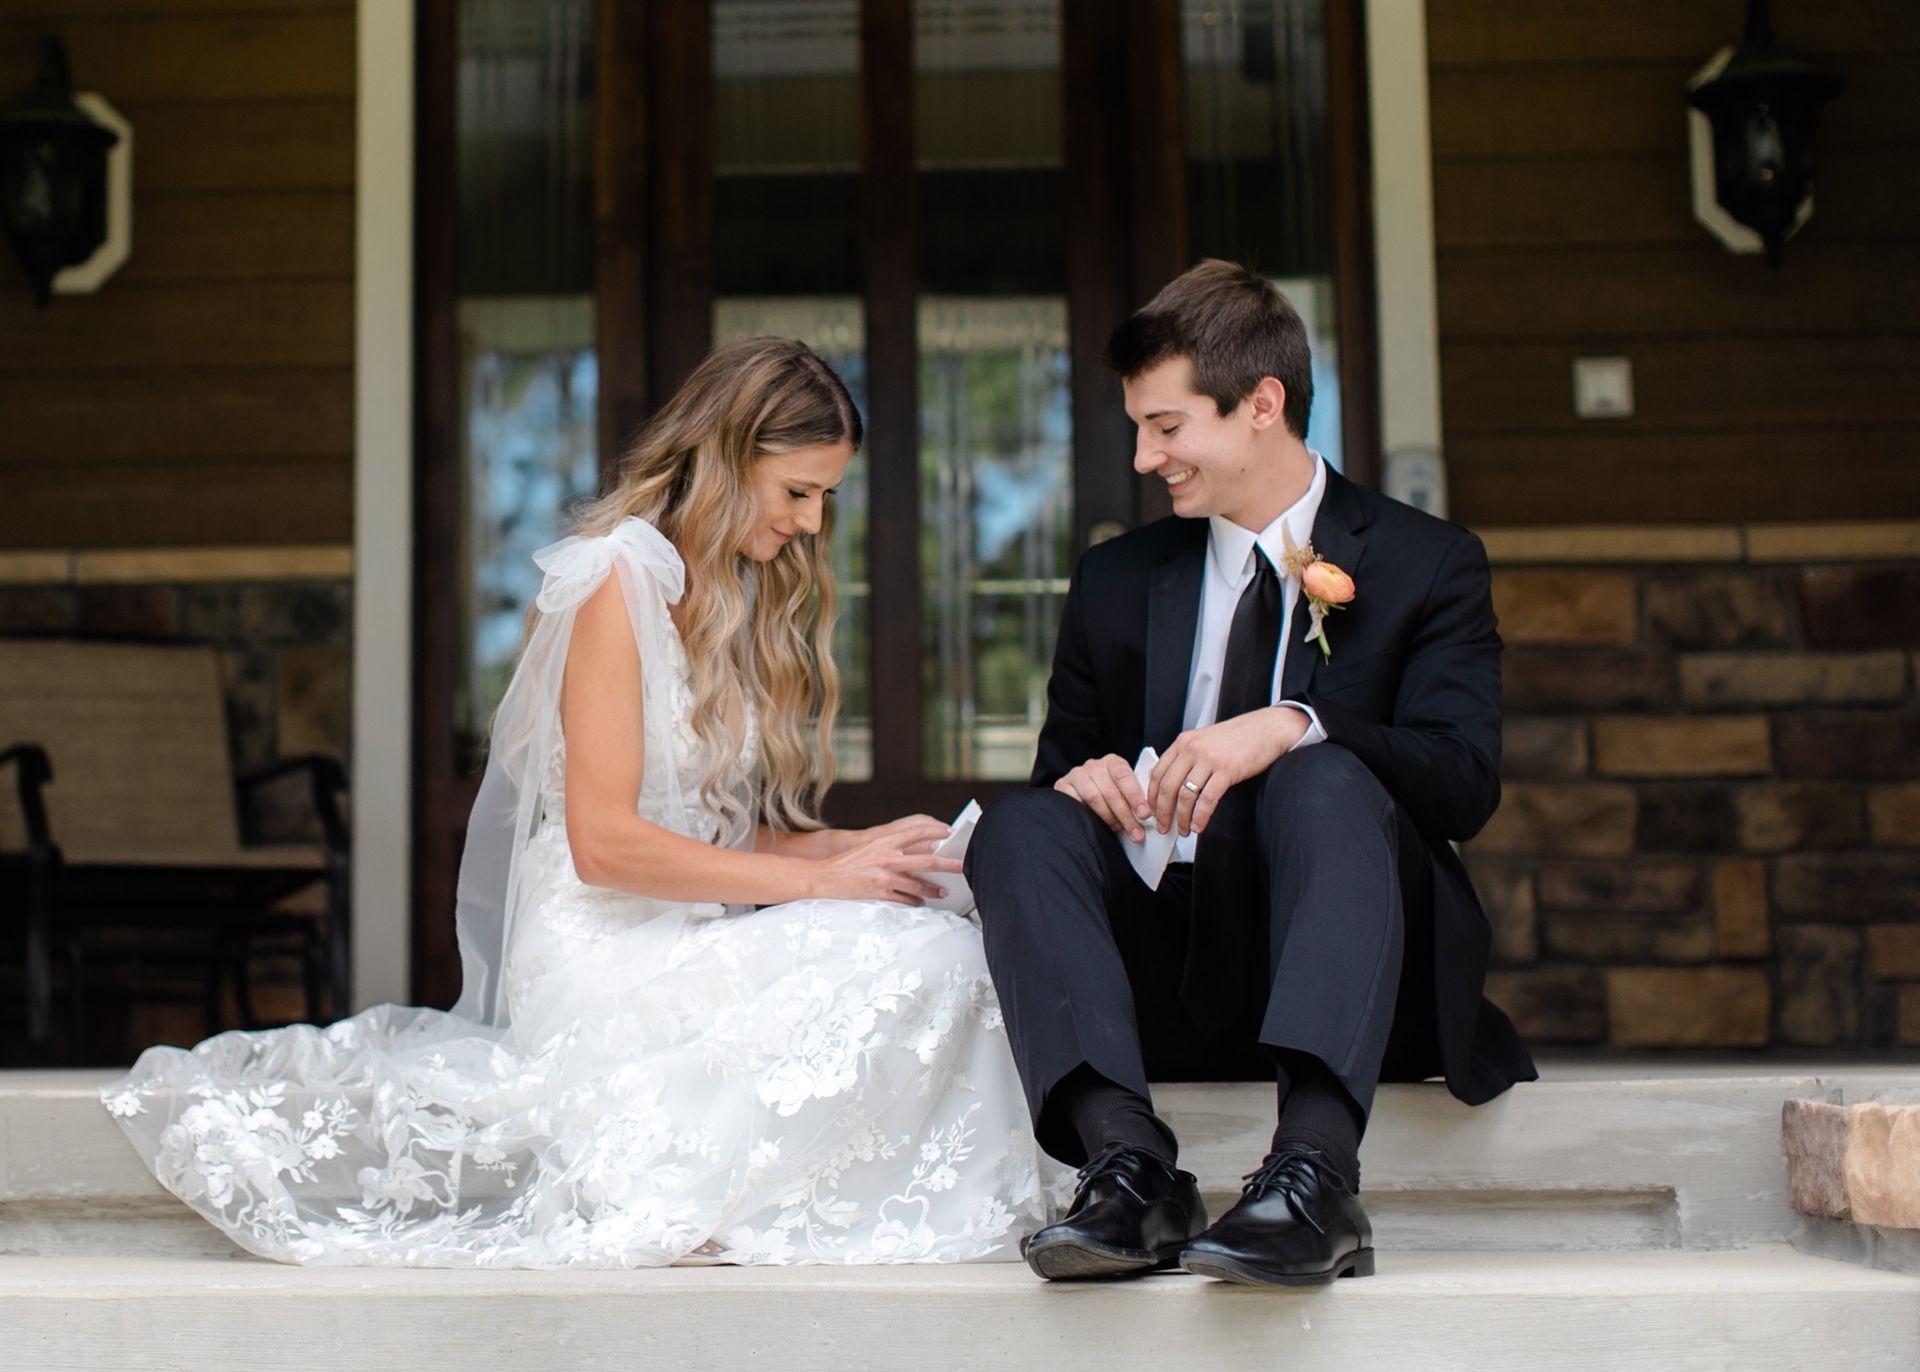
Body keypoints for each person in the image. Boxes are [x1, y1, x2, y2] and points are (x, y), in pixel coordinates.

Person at [100, 337, 1061, 1268]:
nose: (812, 525)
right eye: (798, 493)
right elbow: (606, 844)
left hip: (685, 925)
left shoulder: (717, 589)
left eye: (825, 499)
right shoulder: (613, 578)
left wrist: (853, 847)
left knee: (939, 929)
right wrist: (821, 888)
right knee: (916, 957)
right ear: (728, 460)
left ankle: (781, 1187)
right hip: (607, 946)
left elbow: (705, 828)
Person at [965, 260, 1537, 1287]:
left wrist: (1295, 723)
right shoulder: (1114, 579)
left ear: (1262, 405)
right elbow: (1065, 786)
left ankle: (1315, 1175)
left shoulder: (1428, 560)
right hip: (1162, 969)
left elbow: (1463, 785)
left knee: (1325, 775)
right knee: (1020, 823)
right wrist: (1088, 783)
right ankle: (1127, 1169)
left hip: (1349, 964)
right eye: (1139, 427)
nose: (1145, 456)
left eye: (1168, 426)